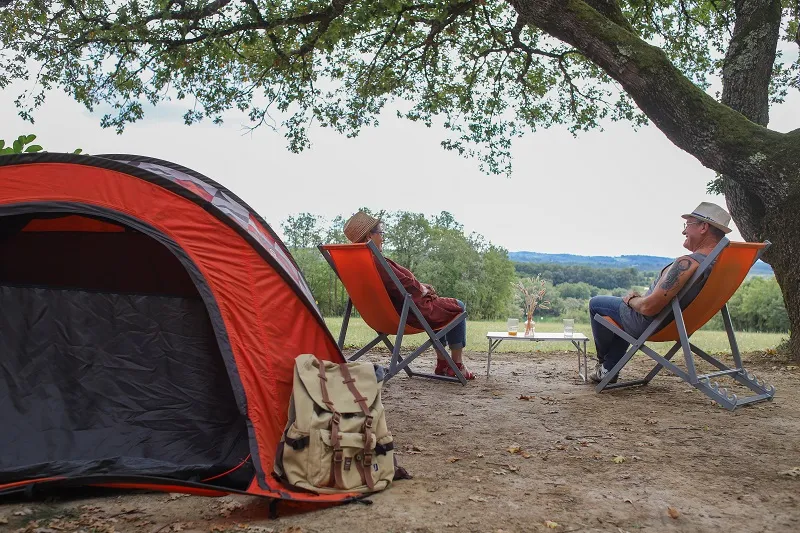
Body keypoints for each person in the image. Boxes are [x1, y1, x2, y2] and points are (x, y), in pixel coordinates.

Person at [588, 202, 732, 383]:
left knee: (596, 304)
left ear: (704, 227)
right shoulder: (720, 266)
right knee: (618, 315)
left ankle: (604, 365)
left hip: (650, 322)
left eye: (688, 225)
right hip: (676, 324)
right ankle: (609, 368)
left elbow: (649, 307)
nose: (684, 231)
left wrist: (632, 299)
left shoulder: (687, 264)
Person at [343, 211, 475, 380]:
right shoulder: (374, 261)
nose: (382, 238)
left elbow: (398, 283)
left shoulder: (359, 263)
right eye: (381, 233)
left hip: (382, 316)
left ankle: (443, 363)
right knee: (458, 307)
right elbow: (403, 286)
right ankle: (457, 365)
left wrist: (421, 287)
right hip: (408, 314)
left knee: (442, 310)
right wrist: (424, 291)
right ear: (370, 235)